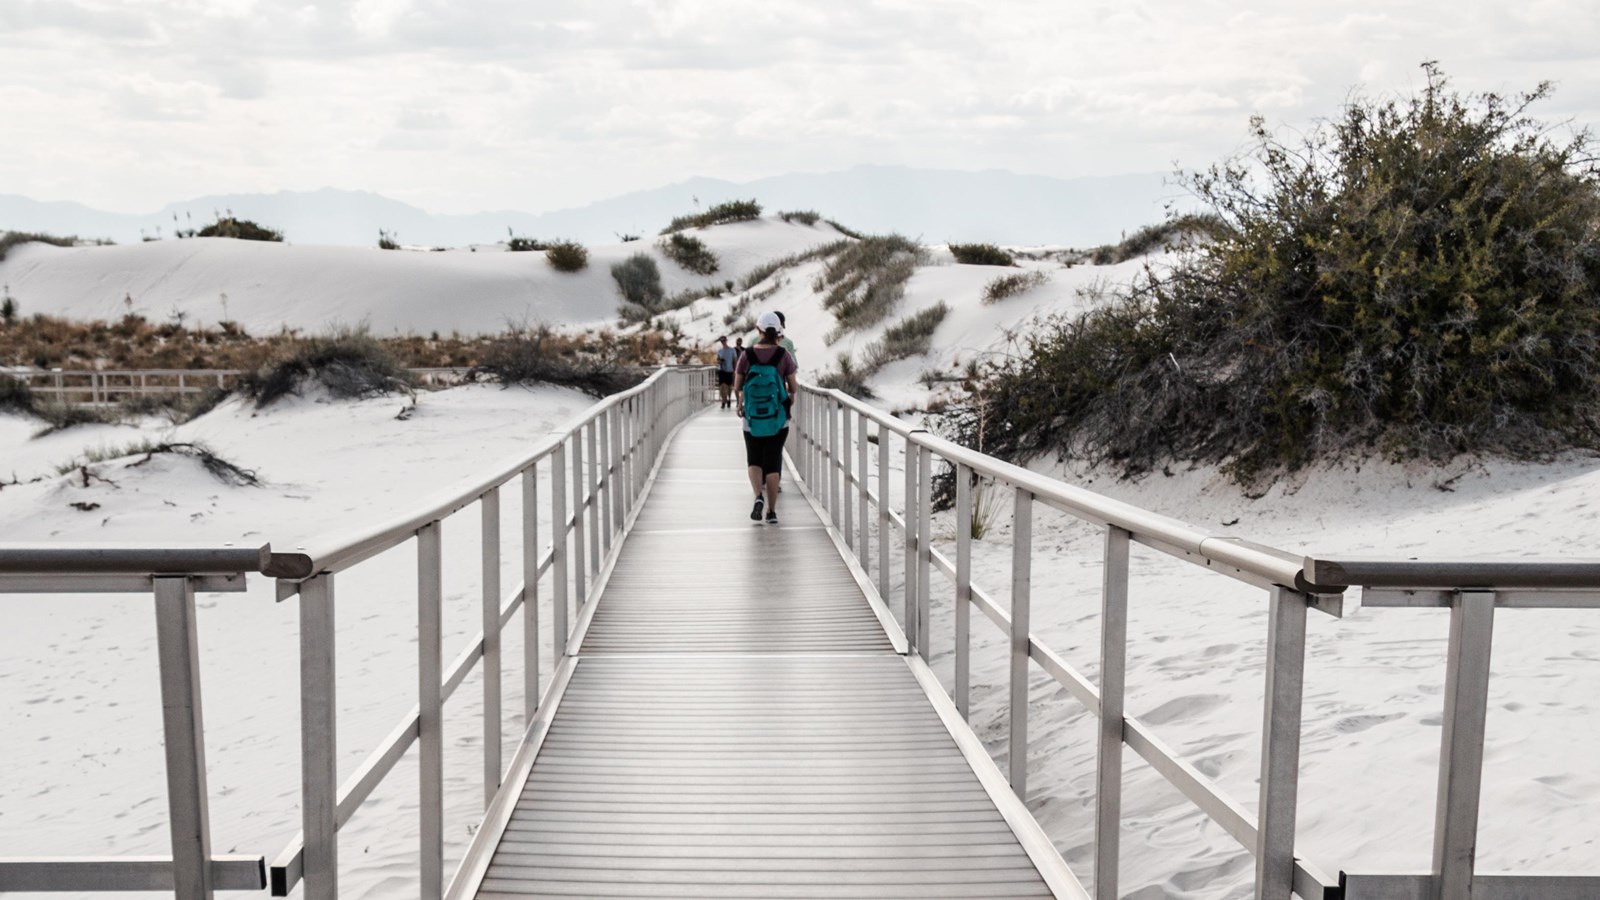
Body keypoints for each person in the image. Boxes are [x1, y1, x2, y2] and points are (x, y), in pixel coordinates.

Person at [734, 312, 797, 524]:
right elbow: (793, 386)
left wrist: (740, 402)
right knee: (772, 462)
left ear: (758, 330)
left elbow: (737, 385)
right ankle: (771, 512)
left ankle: (757, 496)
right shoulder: (783, 354)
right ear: (778, 331)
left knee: (754, 459)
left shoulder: (747, 355)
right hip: (778, 418)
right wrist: (789, 394)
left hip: (752, 418)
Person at [713, 335, 738, 409]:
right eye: (721, 341)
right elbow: (717, 360)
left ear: (726, 341)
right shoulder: (720, 351)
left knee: (729, 387)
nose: (723, 342)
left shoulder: (732, 350)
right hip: (721, 370)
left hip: (730, 370)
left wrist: (735, 370)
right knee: (721, 386)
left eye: (724, 340)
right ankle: (724, 400)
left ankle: (728, 399)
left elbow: (735, 360)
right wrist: (719, 361)